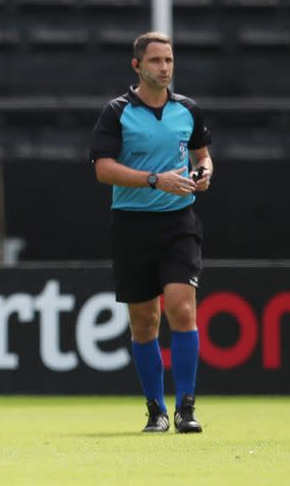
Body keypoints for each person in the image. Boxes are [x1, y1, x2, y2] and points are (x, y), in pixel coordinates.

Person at [90, 31, 213, 434]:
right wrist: (155, 179)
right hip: (131, 223)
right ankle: (156, 409)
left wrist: (205, 172)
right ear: (137, 66)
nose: (164, 68)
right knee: (145, 322)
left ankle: (187, 408)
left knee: (182, 308)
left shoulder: (187, 110)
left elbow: (202, 155)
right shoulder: (117, 112)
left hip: (180, 222)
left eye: (169, 61)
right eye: (156, 61)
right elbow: (103, 168)